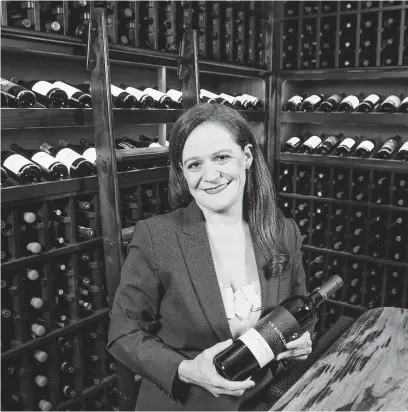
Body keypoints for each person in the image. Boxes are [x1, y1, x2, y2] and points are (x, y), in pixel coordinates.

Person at [107, 103, 312, 411]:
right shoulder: (157, 237)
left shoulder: (283, 232)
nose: (210, 176)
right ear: (182, 172)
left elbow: (299, 310)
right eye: (194, 165)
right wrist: (185, 370)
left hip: (266, 400)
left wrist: (302, 340)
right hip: (185, 404)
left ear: (246, 157)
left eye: (221, 157)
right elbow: (123, 333)